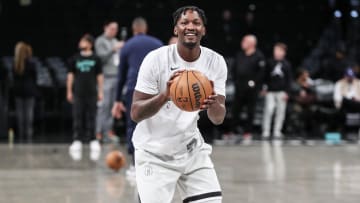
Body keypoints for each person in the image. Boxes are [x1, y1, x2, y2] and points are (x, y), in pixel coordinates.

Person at [130, 6, 227, 203]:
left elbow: (218, 118)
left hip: (191, 150)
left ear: (203, 30)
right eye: (184, 23)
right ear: (176, 29)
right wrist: (164, 96)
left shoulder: (215, 62)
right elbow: (136, 113)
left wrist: (213, 104)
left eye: (196, 23)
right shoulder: (156, 59)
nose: (190, 27)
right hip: (154, 153)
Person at [111, 17, 163, 177]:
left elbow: (121, 76)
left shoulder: (127, 45)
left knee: (133, 126)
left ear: (134, 30)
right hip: (156, 90)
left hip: (135, 91)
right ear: (145, 28)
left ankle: (135, 166)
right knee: (156, 126)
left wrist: (117, 100)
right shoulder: (158, 44)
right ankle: (157, 165)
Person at [67, 34, 103, 160]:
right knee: (78, 115)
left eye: (83, 41)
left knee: (92, 116)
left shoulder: (96, 59)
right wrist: (69, 91)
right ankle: (77, 140)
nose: (80, 43)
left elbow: (99, 76)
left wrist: (100, 91)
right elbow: (70, 76)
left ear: (89, 43)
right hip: (78, 92)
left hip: (92, 92)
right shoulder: (75, 58)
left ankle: (93, 139)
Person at [232, 34, 266, 142]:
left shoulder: (259, 56)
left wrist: (255, 83)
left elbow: (261, 73)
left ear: (252, 44)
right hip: (239, 87)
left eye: (245, 41)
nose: (242, 43)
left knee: (250, 110)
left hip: (252, 88)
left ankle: (248, 132)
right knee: (235, 109)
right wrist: (236, 81)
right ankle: (233, 130)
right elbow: (234, 69)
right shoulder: (239, 55)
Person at [95, 21, 124, 143]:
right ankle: (98, 132)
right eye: (112, 28)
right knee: (104, 106)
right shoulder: (100, 41)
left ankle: (108, 132)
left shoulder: (115, 41)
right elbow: (100, 59)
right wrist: (113, 49)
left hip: (116, 77)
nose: (114, 31)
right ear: (105, 27)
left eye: (116, 29)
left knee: (113, 106)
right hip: (106, 77)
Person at [261, 43, 292, 141]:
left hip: (281, 92)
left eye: (278, 50)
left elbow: (289, 79)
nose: (276, 52)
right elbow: (264, 76)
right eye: (275, 50)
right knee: (269, 110)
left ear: (283, 52)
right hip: (270, 91)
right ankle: (266, 130)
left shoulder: (287, 64)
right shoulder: (269, 62)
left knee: (280, 111)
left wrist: (287, 92)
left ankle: (277, 131)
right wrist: (264, 88)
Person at [12, 42, 38, 141]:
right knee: (28, 113)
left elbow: (14, 78)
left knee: (20, 114)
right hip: (29, 90)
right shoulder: (31, 64)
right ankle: (28, 134)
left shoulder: (15, 64)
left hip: (18, 91)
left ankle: (22, 134)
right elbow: (35, 78)